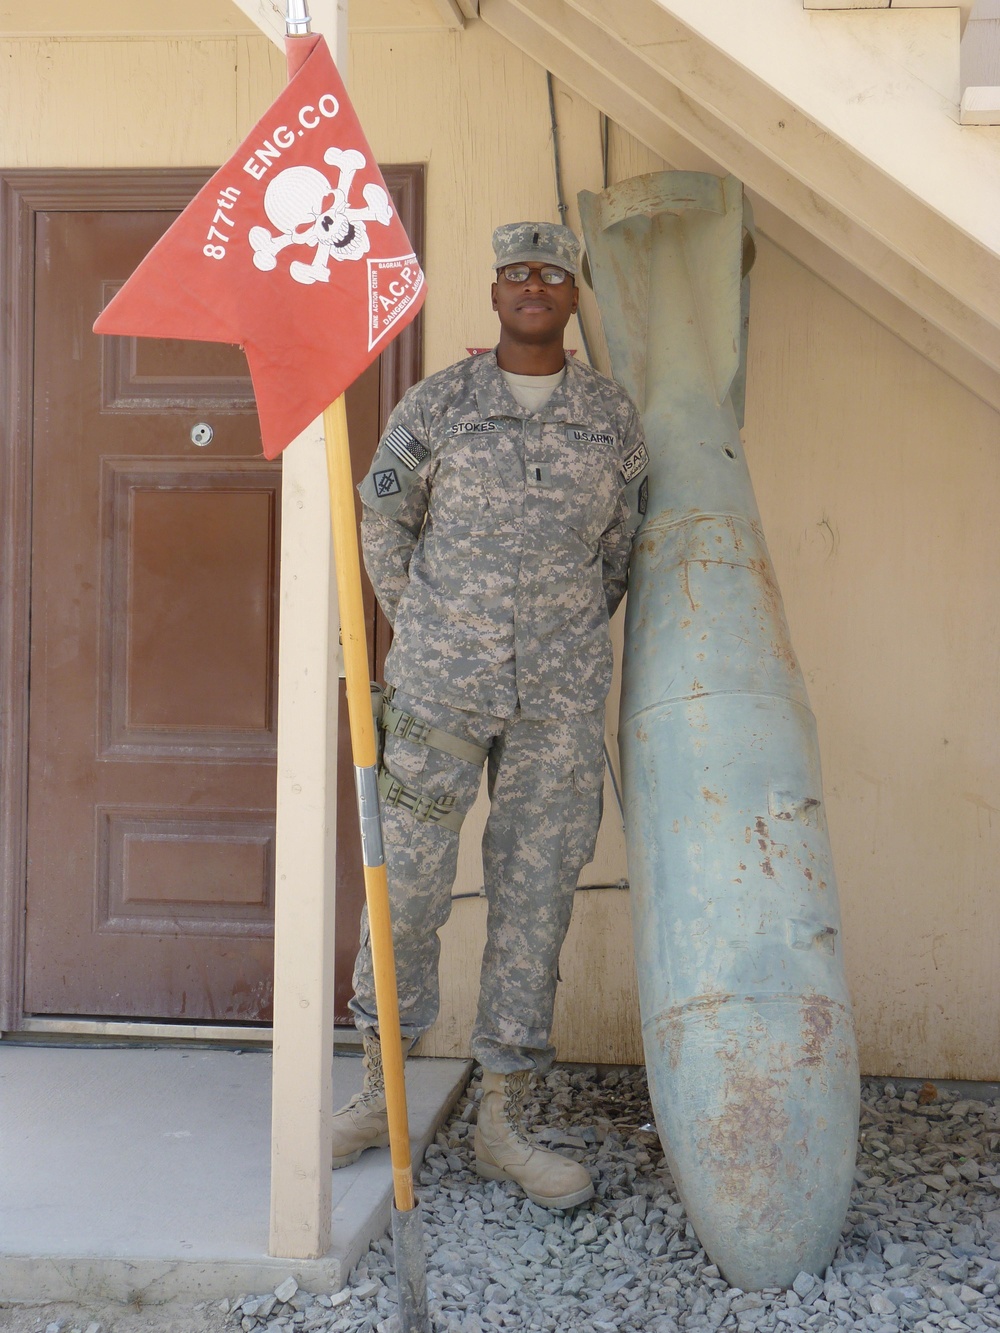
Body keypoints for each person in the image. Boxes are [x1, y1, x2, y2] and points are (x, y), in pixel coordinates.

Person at [332, 222, 648, 1210]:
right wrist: (420, 619)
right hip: (436, 692)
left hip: (555, 702)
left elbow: (620, 548)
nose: (533, 288)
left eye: (552, 275)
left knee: (532, 904)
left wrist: (559, 632)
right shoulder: (439, 406)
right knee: (408, 886)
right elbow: (381, 513)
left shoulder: (609, 419)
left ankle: (505, 1121)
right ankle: (380, 1088)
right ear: (496, 287)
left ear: (571, 294)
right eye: (516, 272)